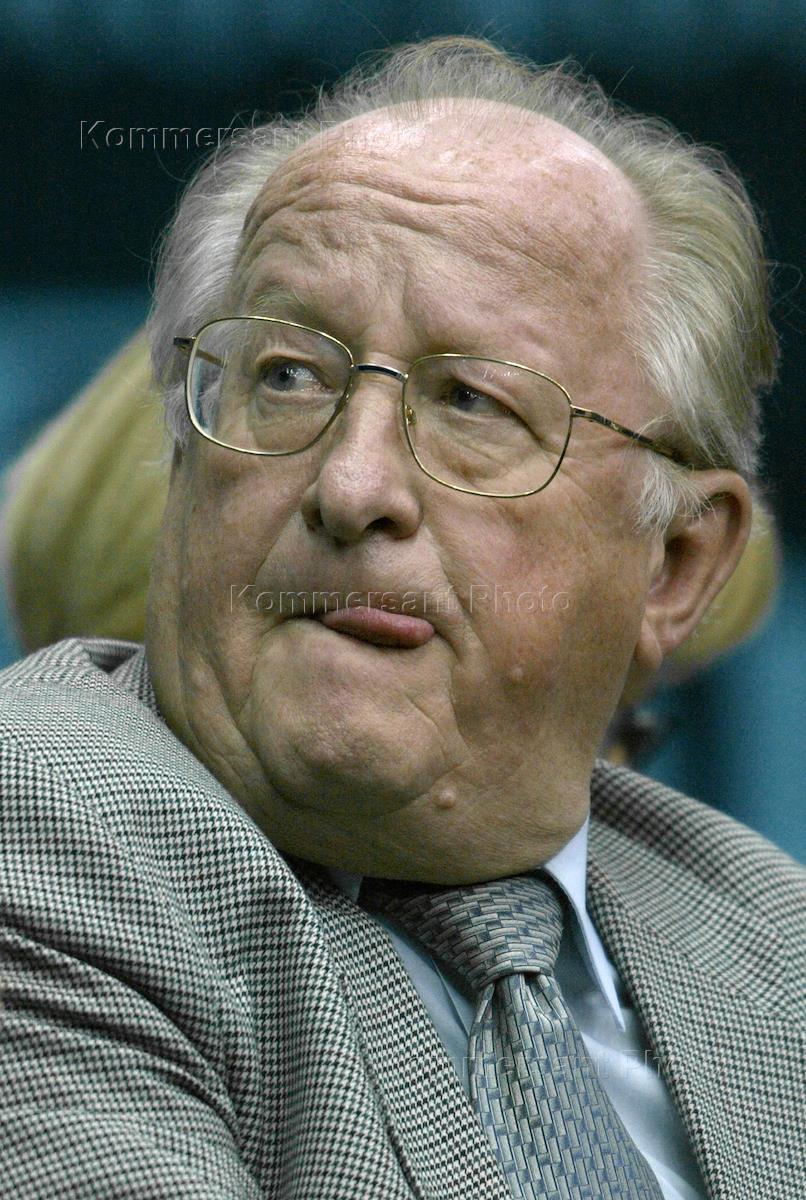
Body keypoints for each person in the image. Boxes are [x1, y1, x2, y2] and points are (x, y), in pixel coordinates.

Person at [0, 36, 802, 1200]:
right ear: (183, 460)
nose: (352, 486)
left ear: (673, 566)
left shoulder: (766, 942)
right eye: (286, 377)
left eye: (471, 402)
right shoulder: (39, 832)